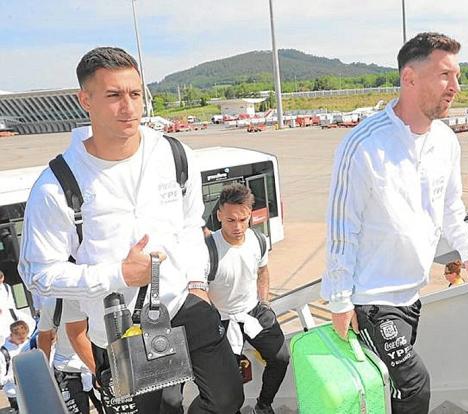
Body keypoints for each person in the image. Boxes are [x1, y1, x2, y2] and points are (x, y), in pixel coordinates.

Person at [18, 47, 243, 413]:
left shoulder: (174, 155)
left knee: (228, 397)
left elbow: (190, 224)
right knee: (158, 409)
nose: (129, 107)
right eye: (114, 95)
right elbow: (38, 275)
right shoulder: (56, 186)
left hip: (180, 301)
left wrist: (197, 281)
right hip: (121, 326)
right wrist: (118, 274)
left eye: (135, 93)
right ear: (85, 100)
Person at [321, 32, 468, 414]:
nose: (455, 88)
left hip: (412, 297)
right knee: (415, 387)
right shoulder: (363, 145)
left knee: (393, 392)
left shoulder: (446, 142)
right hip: (371, 299)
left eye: (457, 76)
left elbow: (451, 207)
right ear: (409, 78)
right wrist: (340, 300)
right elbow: (342, 229)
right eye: (445, 75)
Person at [207, 183, 289, 414]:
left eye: (243, 220)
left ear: (250, 215)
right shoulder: (208, 249)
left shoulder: (258, 240)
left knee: (281, 357)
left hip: (253, 312)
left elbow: (263, 271)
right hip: (221, 319)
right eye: (231, 220)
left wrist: (264, 302)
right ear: (219, 215)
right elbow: (198, 291)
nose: (238, 227)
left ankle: (264, 405)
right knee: (229, 384)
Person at [37, 298, 103, 414]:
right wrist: (43, 373)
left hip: (97, 363)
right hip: (67, 368)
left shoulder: (97, 295)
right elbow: (44, 337)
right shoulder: (53, 302)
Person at [0, 320, 31, 412]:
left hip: (32, 390)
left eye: (24, 334)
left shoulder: (29, 343)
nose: (22, 338)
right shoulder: (3, 353)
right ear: (12, 334)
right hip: (14, 394)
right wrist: (12, 378)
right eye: (18, 335)